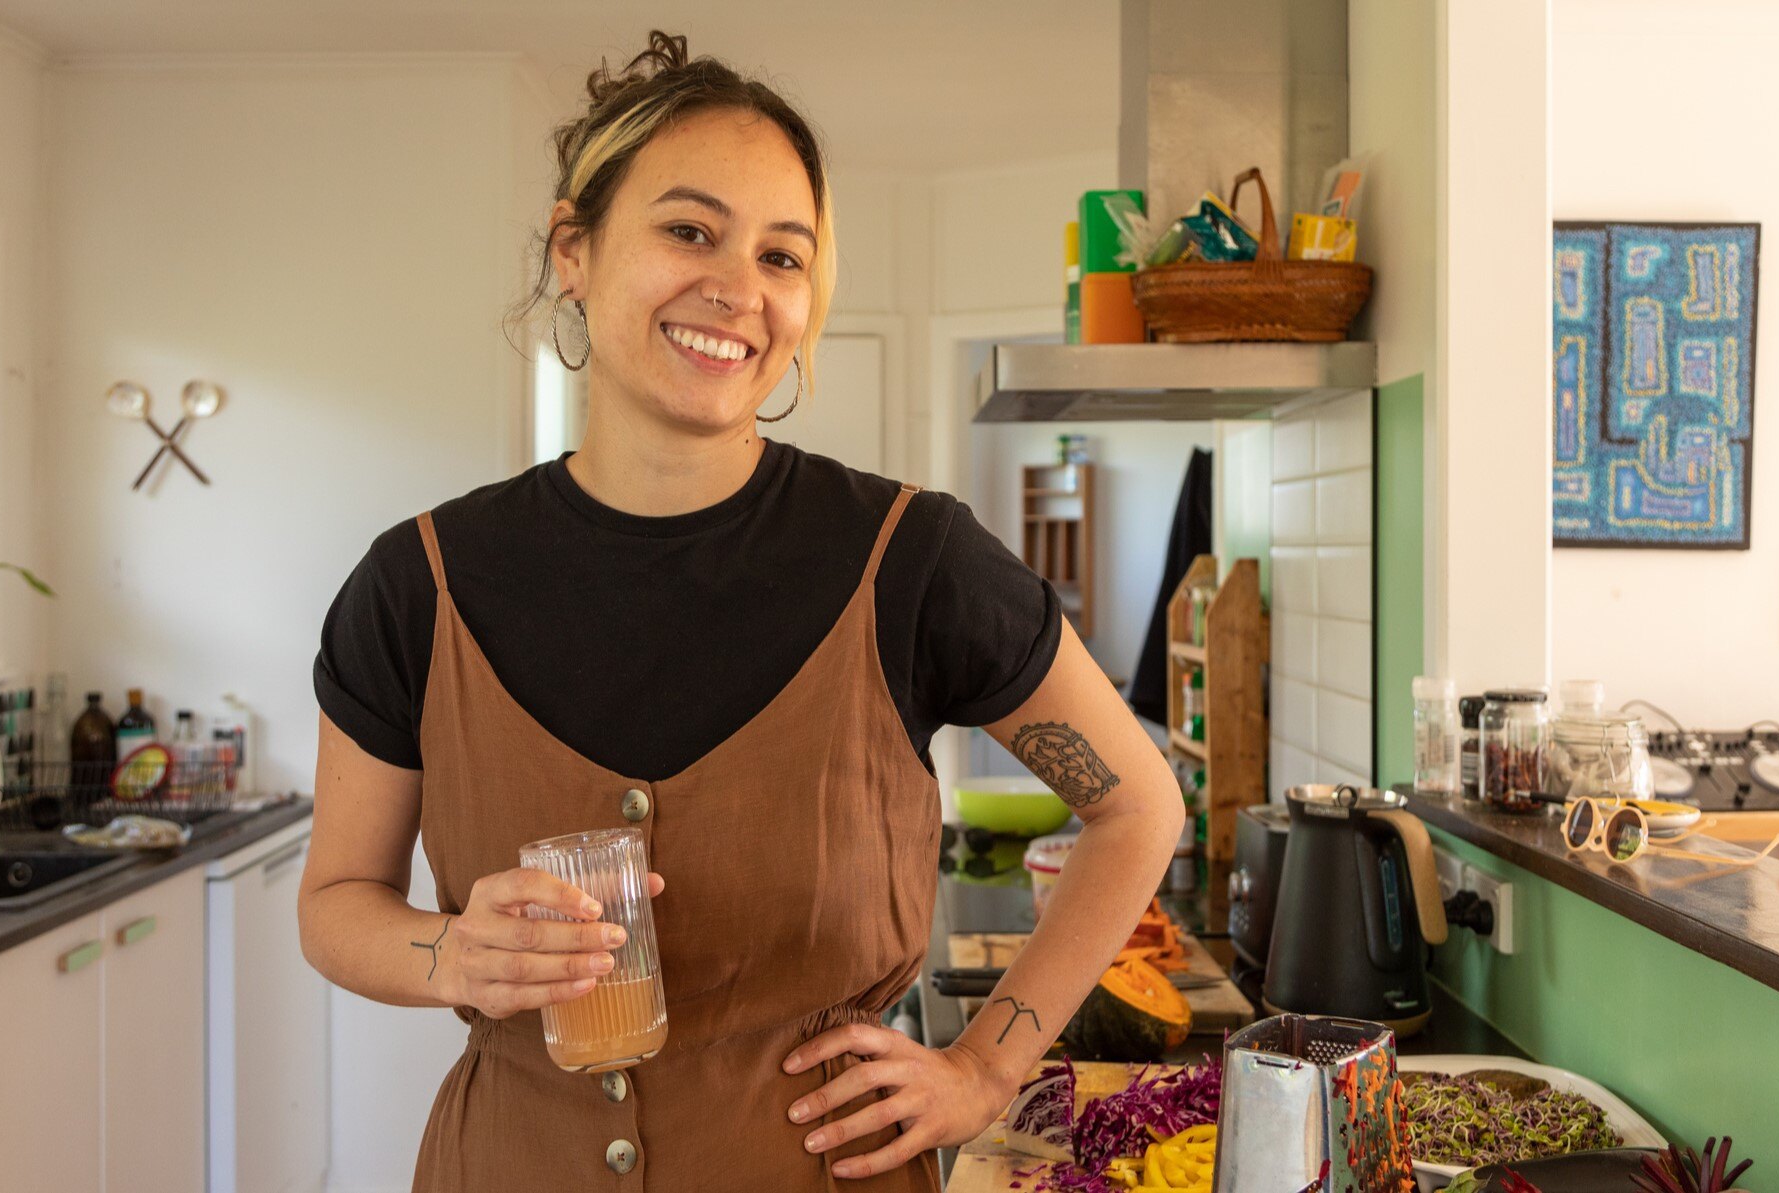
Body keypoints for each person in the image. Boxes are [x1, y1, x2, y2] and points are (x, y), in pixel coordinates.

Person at [300, 31, 1181, 1189]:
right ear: (574, 249)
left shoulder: (912, 562)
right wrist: (450, 952)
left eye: (782, 255)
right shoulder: (417, 584)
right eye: (688, 230)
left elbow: (1137, 806)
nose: (740, 288)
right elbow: (337, 903)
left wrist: (984, 1067)